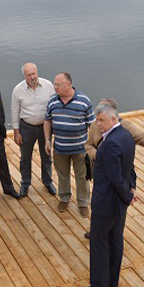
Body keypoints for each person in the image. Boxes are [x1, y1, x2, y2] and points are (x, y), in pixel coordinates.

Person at [82, 97, 144, 238]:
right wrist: (97, 155)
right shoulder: (94, 126)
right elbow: (88, 144)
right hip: (101, 173)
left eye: (102, 114)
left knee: (119, 202)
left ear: (113, 115)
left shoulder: (125, 126)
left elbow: (143, 136)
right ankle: (97, 230)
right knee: (99, 202)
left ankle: (116, 234)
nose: (99, 118)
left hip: (119, 173)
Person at [77, 103, 137, 287]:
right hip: (118, 203)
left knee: (99, 242)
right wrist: (131, 188)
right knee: (115, 239)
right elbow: (130, 167)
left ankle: (99, 286)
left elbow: (115, 176)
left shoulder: (110, 143)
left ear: (113, 119)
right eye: (97, 119)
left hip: (106, 202)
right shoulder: (126, 136)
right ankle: (113, 281)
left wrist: (128, 195)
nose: (98, 124)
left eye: (101, 120)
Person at [44, 72, 94, 217]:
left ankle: (83, 202)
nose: (55, 87)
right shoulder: (52, 101)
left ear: (69, 84)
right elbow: (47, 121)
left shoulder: (84, 101)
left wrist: (93, 146)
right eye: (54, 84)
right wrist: (48, 140)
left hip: (80, 149)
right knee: (62, 175)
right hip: (60, 148)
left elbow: (92, 125)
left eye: (58, 84)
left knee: (82, 177)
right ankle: (64, 198)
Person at [11, 63, 56, 197]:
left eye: (34, 74)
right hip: (27, 127)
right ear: (24, 76)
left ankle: (48, 182)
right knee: (25, 157)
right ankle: (25, 183)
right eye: (29, 75)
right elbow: (14, 112)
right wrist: (16, 132)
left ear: (37, 72)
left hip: (45, 127)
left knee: (46, 155)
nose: (32, 77)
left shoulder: (48, 85)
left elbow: (54, 105)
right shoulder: (18, 90)